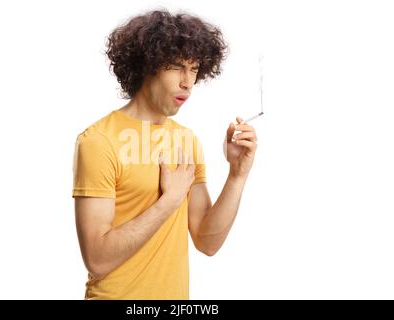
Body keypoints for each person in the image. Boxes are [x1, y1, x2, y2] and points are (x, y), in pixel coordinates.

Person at [72, 9, 258, 300]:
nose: (188, 82)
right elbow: (97, 259)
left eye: (194, 69)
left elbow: (206, 242)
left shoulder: (186, 140)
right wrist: (169, 201)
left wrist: (237, 174)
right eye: (177, 67)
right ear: (148, 65)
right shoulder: (98, 142)